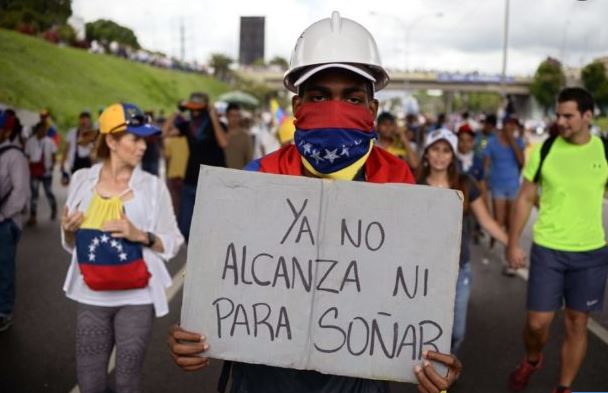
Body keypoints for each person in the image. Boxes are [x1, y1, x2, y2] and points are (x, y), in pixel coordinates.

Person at [167, 12, 461, 393]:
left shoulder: (399, 181)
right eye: (319, 96)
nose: (335, 109)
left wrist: (433, 358)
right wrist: (193, 334)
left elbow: (413, 299)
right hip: (263, 380)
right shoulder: (257, 179)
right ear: (297, 106)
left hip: (357, 381)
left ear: (371, 111)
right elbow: (217, 285)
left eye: (352, 98)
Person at [61, 103, 184, 392]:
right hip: (91, 295)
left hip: (137, 298)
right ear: (112, 141)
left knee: (128, 382)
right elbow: (71, 246)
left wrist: (141, 235)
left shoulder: (153, 187)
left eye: (145, 139)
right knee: (90, 383)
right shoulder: (81, 181)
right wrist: (68, 233)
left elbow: (173, 241)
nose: (143, 146)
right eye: (135, 138)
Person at [506, 87, 608, 393]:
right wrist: (512, 243)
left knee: (577, 323)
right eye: (558, 115)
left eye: (568, 116)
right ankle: (533, 358)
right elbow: (525, 198)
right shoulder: (544, 149)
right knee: (537, 324)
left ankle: (564, 387)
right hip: (549, 250)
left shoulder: (603, 150)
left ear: (587, 116)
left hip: (591, 253)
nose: (560, 121)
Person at [417, 128, 525, 353]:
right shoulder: (413, 184)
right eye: (435, 150)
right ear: (426, 153)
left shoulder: (465, 184)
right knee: (425, 328)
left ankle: (446, 367)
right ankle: (430, 374)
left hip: (459, 270)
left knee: (456, 333)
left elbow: (486, 221)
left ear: (453, 155)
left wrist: (511, 245)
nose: (440, 155)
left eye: (446, 151)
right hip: (422, 272)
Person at [162, 93, 228, 240]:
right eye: (192, 109)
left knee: (210, 226)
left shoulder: (218, 125)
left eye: (199, 109)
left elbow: (223, 143)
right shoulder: (187, 126)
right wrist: (178, 111)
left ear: (206, 108)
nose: (195, 112)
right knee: (184, 227)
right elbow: (163, 133)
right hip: (190, 180)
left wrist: (213, 116)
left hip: (212, 181)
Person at [483, 115, 525, 275]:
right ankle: (501, 248)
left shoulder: (519, 142)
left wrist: (512, 141)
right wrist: (485, 182)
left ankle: (509, 255)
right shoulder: (492, 142)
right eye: (508, 126)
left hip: (513, 186)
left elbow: (522, 162)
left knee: (511, 222)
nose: (510, 128)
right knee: (499, 220)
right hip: (497, 186)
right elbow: (486, 163)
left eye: (513, 126)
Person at [0, 110, 30, 332]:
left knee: (4, 268)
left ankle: (4, 312)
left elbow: (20, 193)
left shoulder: (14, 156)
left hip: (6, 223)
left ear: (7, 131)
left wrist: (2, 217)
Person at [24, 121, 58, 225]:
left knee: (48, 191)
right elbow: (28, 157)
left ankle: (53, 208)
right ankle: (33, 216)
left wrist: (52, 165)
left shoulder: (49, 141)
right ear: (37, 130)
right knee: (34, 194)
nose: (43, 132)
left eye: (45, 130)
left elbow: (53, 155)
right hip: (34, 170)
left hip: (46, 170)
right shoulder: (30, 142)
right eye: (41, 130)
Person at [61, 111, 97, 185]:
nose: (84, 124)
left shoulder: (93, 134)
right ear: (80, 121)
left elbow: (95, 152)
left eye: (86, 122)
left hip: (88, 164)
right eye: (82, 122)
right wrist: (62, 164)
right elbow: (66, 149)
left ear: (89, 122)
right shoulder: (72, 132)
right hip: (74, 165)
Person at [163, 120, 189, 215]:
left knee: (175, 203)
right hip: (186, 176)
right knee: (186, 204)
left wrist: (166, 174)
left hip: (173, 175)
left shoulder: (170, 141)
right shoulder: (189, 141)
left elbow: (167, 159)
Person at [223, 103, 253, 169]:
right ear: (226, 116)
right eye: (232, 115)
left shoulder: (245, 136)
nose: (235, 119)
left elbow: (249, 159)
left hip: (237, 175)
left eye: (237, 116)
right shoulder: (221, 133)